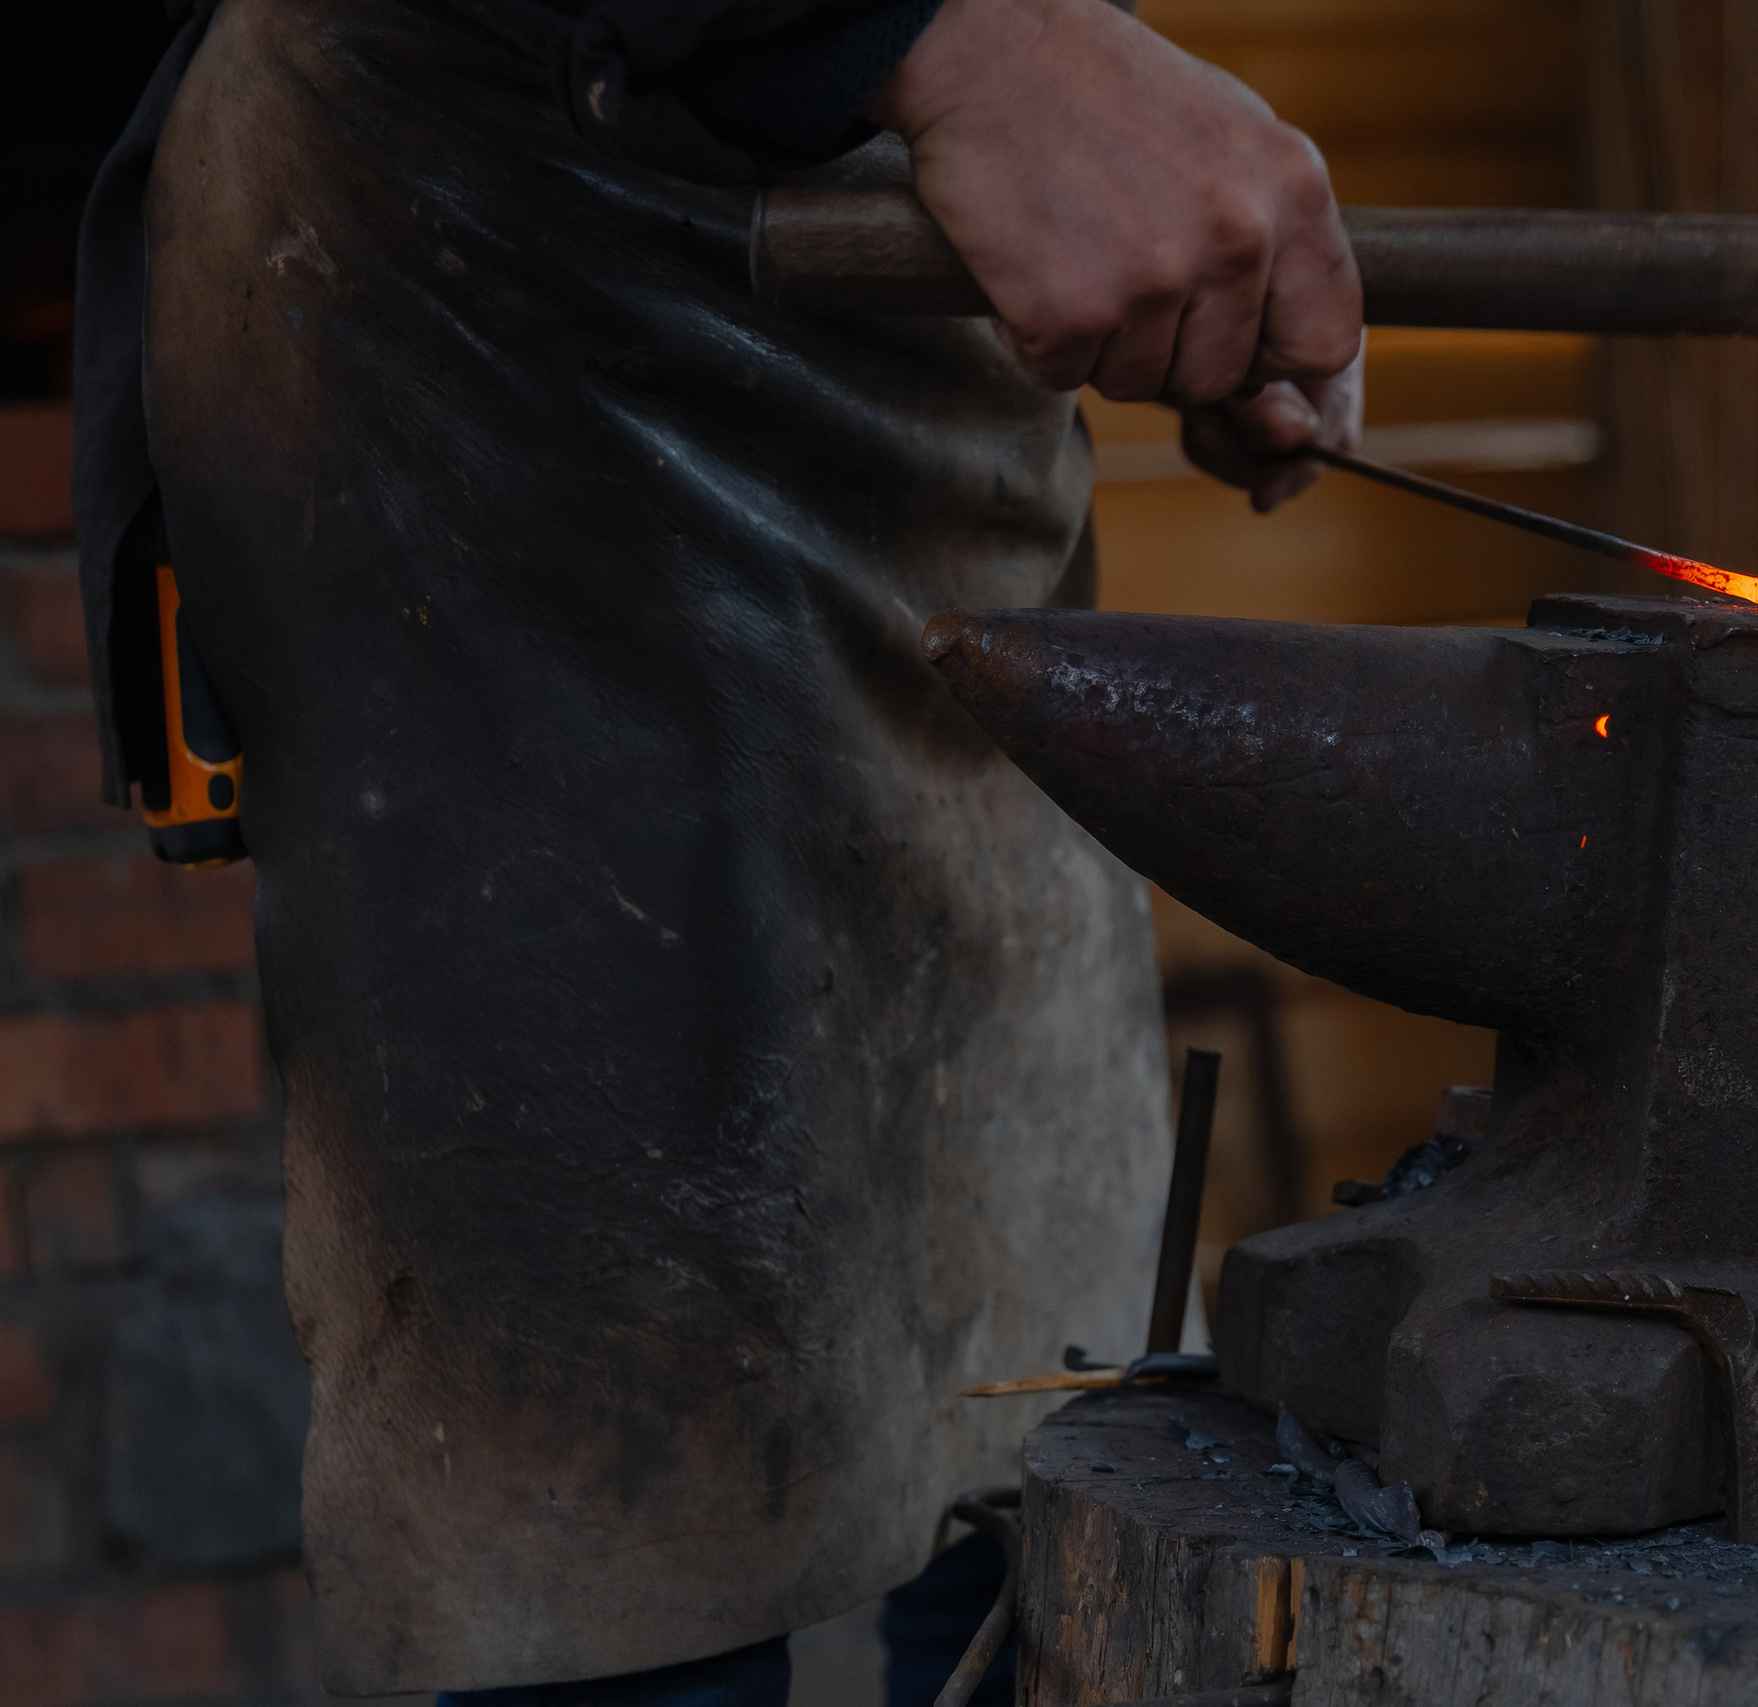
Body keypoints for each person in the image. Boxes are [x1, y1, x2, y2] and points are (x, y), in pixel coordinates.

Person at [70, 0, 1364, 1700]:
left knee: (1046, 1402)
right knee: (607, 1485)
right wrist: (958, 42)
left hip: (906, 400)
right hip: (508, 314)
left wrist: (1129, 219)